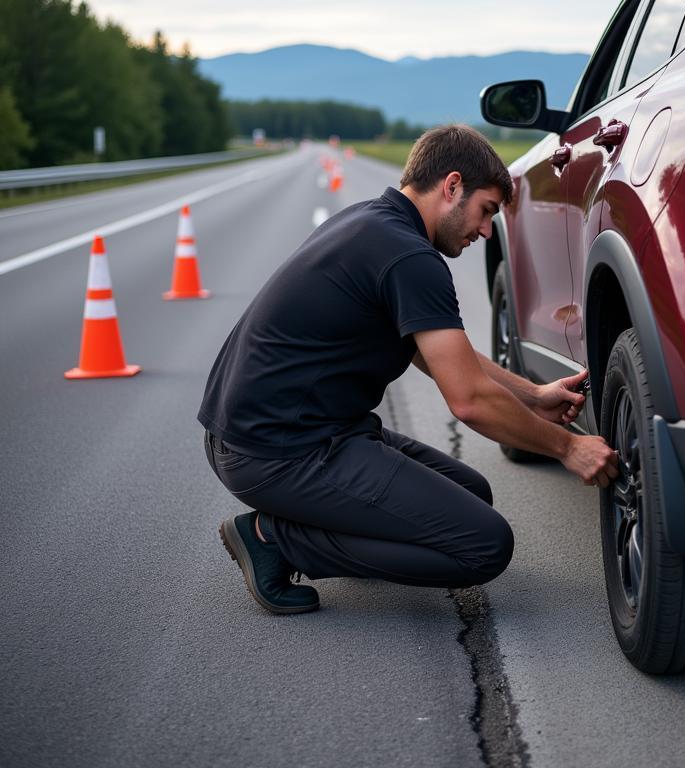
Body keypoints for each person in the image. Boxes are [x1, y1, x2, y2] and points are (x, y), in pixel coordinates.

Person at [200, 124, 619, 614]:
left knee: (472, 494)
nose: (486, 231)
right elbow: (469, 402)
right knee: (483, 545)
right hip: (274, 451)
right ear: (452, 186)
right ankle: (274, 539)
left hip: (277, 433)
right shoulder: (410, 257)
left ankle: (322, 522)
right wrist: (569, 448)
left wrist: (532, 394)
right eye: (486, 211)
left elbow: (435, 352)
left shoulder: (373, 222)